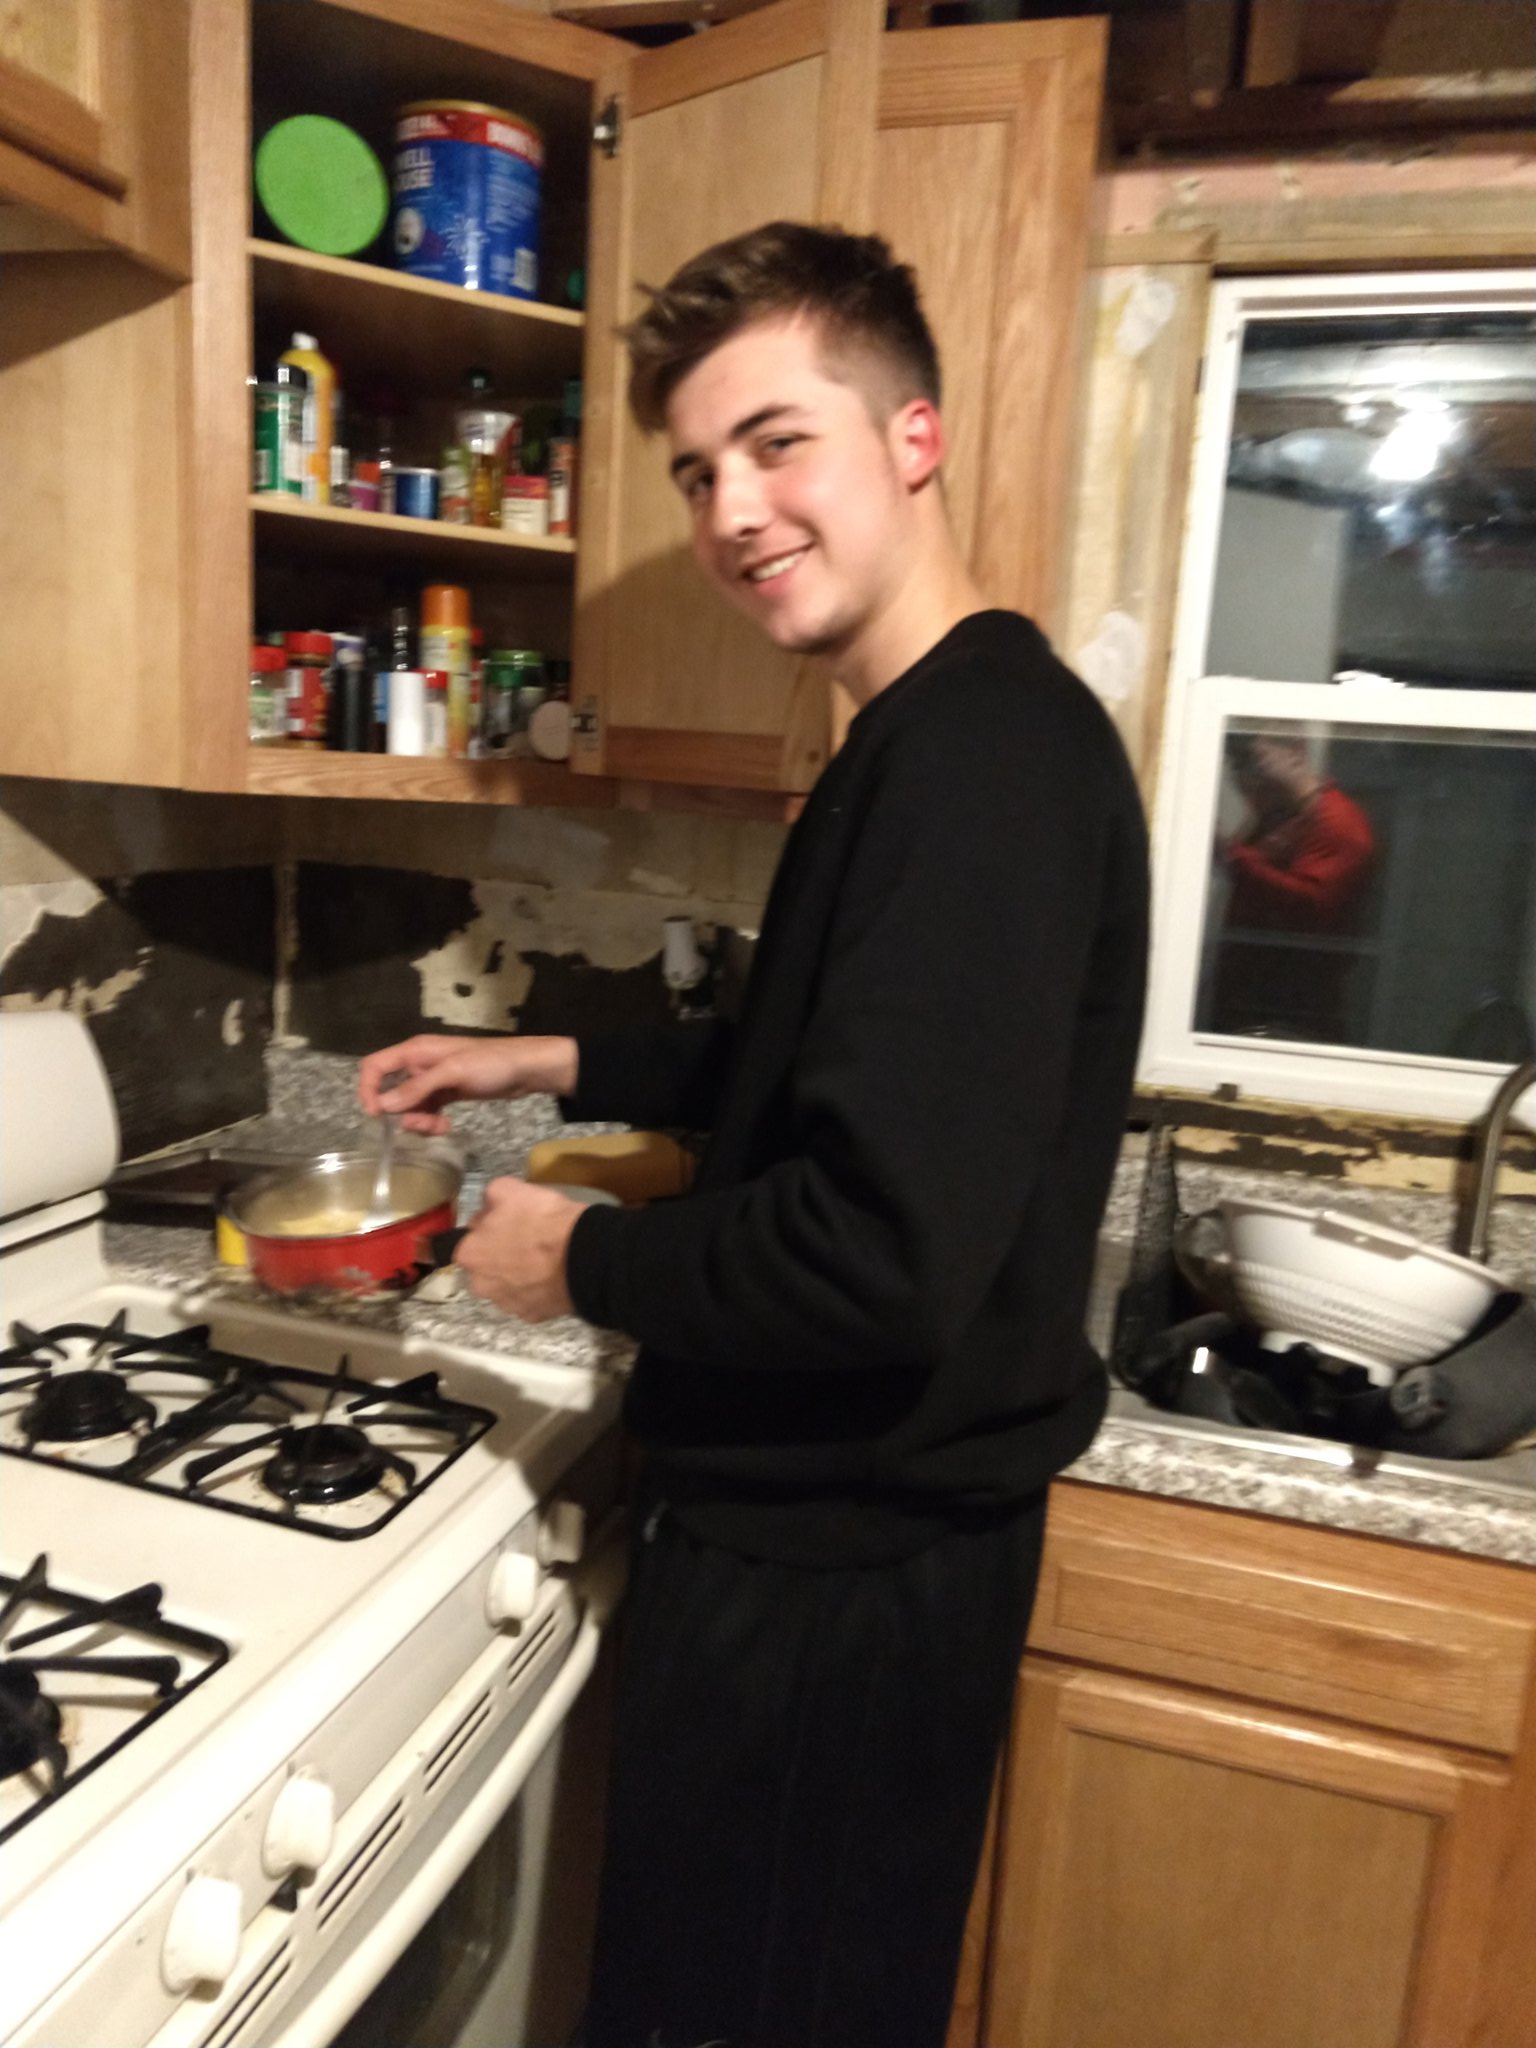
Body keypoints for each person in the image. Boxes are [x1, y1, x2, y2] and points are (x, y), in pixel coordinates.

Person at [359, 222, 1148, 2048]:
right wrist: (551, 1054)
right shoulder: (925, 736)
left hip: (839, 1580)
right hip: (829, 1546)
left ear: (913, 436)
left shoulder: (980, 765)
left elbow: (877, 1254)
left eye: (779, 442)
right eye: (699, 471)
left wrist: (580, 1257)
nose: (733, 511)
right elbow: (816, 1063)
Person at [1209, 732, 1375, 1043]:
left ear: (1296, 752)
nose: (1246, 777)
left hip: (1294, 1012)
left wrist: (1231, 855)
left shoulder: (1339, 822)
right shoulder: (1280, 816)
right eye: (1237, 766)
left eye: (1256, 761)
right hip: (1249, 1000)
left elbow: (1311, 909)